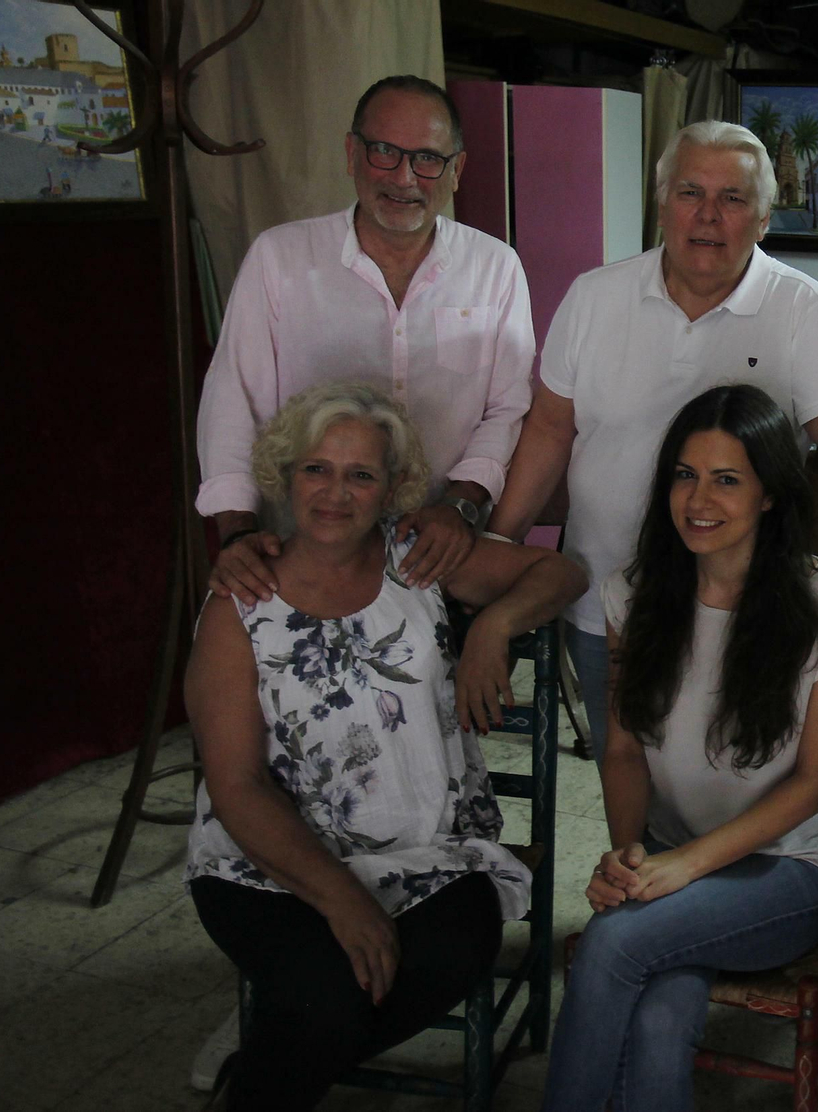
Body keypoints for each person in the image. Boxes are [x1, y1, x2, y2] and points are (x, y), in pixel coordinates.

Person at [184, 381, 585, 1111]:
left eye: (360, 474)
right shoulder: (239, 601)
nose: (335, 493)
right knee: (326, 996)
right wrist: (342, 899)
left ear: (393, 488)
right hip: (264, 861)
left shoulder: (418, 559)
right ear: (286, 475)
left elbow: (562, 571)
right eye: (317, 470)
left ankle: (259, 1074)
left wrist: (492, 627)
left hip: (429, 851)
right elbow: (237, 785)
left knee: (444, 954)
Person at [488, 120, 818, 768]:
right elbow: (548, 428)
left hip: (744, 617)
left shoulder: (798, 306)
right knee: (628, 778)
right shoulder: (594, 298)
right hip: (604, 601)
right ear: (662, 205)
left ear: (763, 218)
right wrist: (499, 546)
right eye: (689, 193)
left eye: (733, 199)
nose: (708, 216)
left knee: (739, 788)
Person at [539, 384, 818, 1111]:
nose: (698, 499)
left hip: (788, 868)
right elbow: (623, 751)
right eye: (685, 475)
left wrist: (679, 868)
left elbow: (814, 782)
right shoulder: (636, 591)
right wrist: (629, 856)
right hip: (669, 852)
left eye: (727, 479)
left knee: (615, 945)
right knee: (658, 1021)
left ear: (771, 495)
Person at [197, 74, 536, 607]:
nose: (404, 177)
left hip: (437, 551)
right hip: (305, 549)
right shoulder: (281, 257)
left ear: (457, 170)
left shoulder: (495, 268)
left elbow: (507, 407)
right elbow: (233, 398)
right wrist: (237, 531)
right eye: (384, 152)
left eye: (427, 158)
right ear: (351, 153)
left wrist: (461, 505)